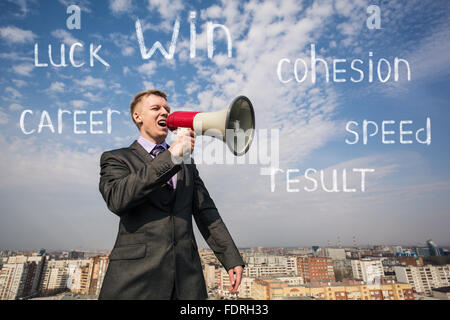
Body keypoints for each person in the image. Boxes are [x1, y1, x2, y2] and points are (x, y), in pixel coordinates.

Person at [98, 89, 245, 300]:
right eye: (156, 108)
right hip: (135, 280)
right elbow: (117, 198)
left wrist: (231, 257)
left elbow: (206, 211)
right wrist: (172, 156)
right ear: (137, 116)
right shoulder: (116, 158)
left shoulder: (187, 164)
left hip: (188, 280)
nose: (164, 112)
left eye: (167, 109)